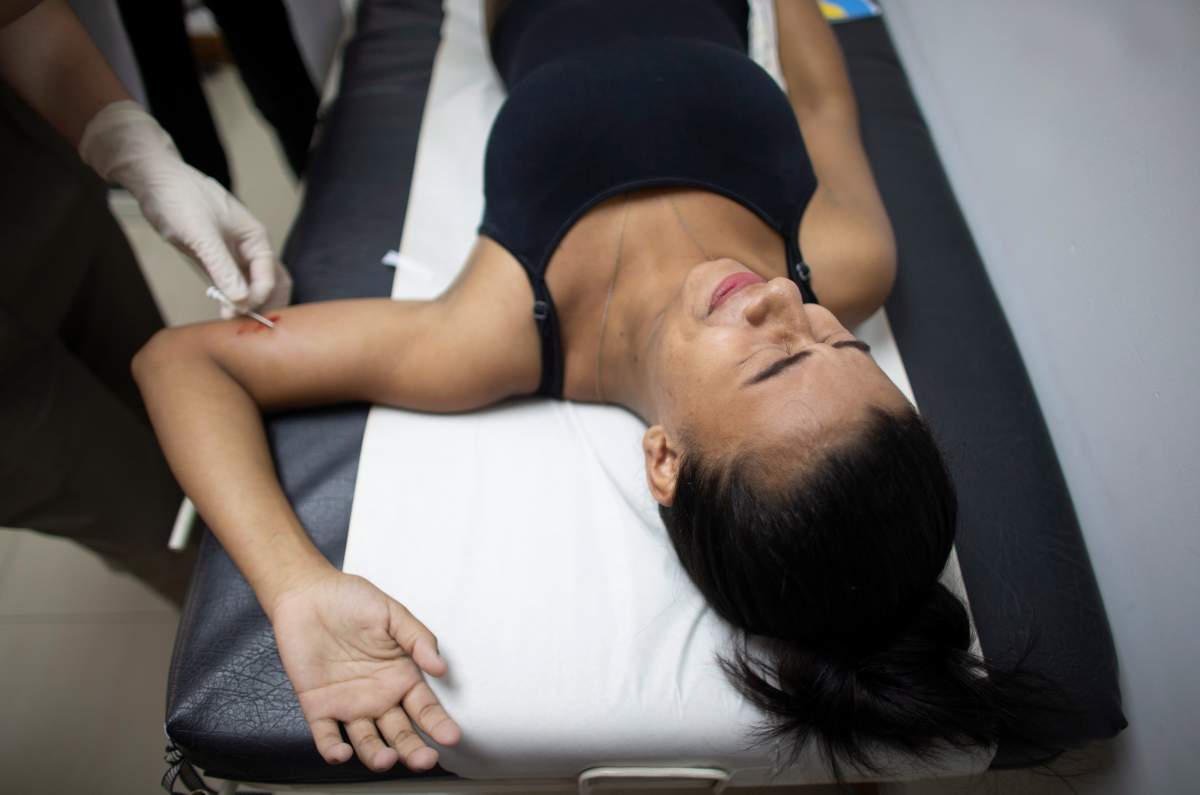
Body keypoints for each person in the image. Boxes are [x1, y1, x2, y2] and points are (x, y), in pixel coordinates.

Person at [130, 0, 1051, 778]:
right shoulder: (848, 260)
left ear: (664, 459)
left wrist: (294, 584)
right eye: (838, 339)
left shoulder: (491, 333)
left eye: (774, 359)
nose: (783, 301)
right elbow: (821, 99)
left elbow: (183, 361)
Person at [0, 0, 289, 604]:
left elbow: (19, 14)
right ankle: (224, 600)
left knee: (170, 403)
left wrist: (136, 151)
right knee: (153, 522)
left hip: (43, 213)